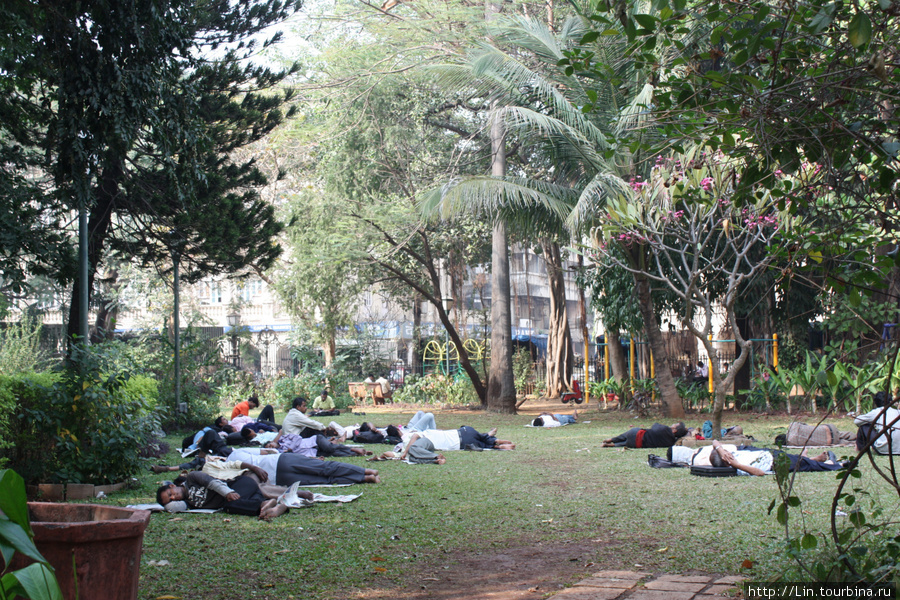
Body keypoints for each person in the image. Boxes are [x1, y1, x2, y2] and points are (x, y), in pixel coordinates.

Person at [226, 449, 381, 485]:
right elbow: (266, 451)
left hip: (277, 479)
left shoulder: (225, 471)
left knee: (323, 480)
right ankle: (366, 471)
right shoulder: (236, 452)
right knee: (325, 467)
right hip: (280, 460)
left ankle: (366, 478)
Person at [156, 471, 273, 517]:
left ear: (172, 486)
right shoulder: (188, 503)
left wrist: (228, 492)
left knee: (230, 504)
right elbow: (172, 508)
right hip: (244, 497)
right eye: (170, 499)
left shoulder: (192, 478)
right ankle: (269, 505)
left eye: (170, 493)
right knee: (228, 507)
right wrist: (166, 504)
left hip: (239, 485)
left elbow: (213, 483)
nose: (173, 497)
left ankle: (262, 504)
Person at [707, 440, 844, 476]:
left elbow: (715, 442)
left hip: (768, 454)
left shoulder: (730, 453)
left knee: (800, 462)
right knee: (806, 466)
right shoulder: (737, 466)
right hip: (774, 463)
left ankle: (812, 459)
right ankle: (834, 465)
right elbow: (759, 473)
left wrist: (719, 448)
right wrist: (736, 465)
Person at [401, 426, 515, 453]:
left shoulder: (424, 440)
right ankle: (494, 439)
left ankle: (498, 446)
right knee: (481, 437)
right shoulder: (428, 432)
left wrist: (405, 452)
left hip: (461, 442)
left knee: (483, 445)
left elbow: (415, 436)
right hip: (464, 431)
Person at [602, 422, 688, 448]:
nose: (672, 424)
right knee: (626, 443)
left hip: (636, 434)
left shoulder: (665, 429)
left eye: (675, 424)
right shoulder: (670, 442)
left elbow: (654, 425)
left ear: (674, 430)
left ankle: (611, 439)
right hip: (638, 445)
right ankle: (613, 445)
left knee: (625, 435)